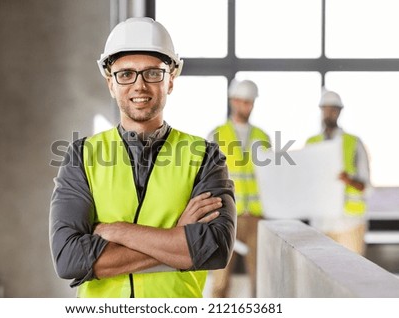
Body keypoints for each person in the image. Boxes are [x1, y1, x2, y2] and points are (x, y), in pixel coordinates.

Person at [49, 17, 236, 298]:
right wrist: (176, 237)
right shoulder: (82, 156)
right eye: (125, 74)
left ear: (171, 79)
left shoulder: (204, 157)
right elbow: (69, 258)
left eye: (153, 73)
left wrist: (118, 231)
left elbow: (215, 249)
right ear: (110, 83)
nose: (139, 85)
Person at [208, 78, 271, 298]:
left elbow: (270, 178)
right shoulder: (217, 134)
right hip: (226, 215)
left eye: (250, 102)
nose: (247, 106)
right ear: (233, 101)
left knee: (260, 279)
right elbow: (207, 177)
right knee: (220, 278)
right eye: (243, 101)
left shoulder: (262, 137)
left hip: (255, 216)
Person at [306, 88, 371, 255]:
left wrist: (348, 180)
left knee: (351, 275)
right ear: (321, 111)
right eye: (325, 109)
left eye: (333, 109)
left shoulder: (354, 143)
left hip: (349, 223)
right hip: (321, 223)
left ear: (339, 112)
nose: (329, 113)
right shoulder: (312, 143)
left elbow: (366, 186)